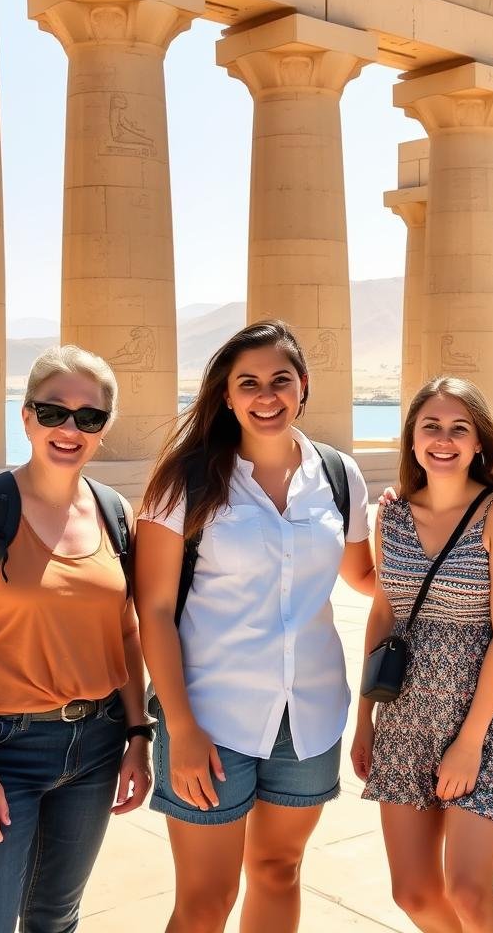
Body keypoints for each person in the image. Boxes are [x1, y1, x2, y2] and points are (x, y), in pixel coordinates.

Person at [135, 319, 375, 933]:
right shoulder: (184, 480)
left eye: (280, 381)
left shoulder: (340, 475)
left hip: (312, 716)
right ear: (225, 394)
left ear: (303, 388)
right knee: (206, 900)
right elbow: (155, 610)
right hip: (211, 717)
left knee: (279, 871)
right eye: (249, 383)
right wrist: (180, 726)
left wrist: (445, 522)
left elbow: (368, 577)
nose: (266, 397)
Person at [0, 346, 151, 933]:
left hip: (96, 748)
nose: (70, 429)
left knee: (56, 918)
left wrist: (139, 734)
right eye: (54, 412)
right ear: (26, 416)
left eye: (89, 418)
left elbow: (125, 632)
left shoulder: (114, 512)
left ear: (104, 430)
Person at [353, 376, 493, 933]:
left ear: (479, 441)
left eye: (460, 428)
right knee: (413, 893)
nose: (444, 439)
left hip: (483, 712)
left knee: (468, 892)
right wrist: (364, 721)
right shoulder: (393, 514)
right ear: (410, 439)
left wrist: (470, 741)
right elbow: (384, 614)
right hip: (405, 714)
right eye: (430, 426)